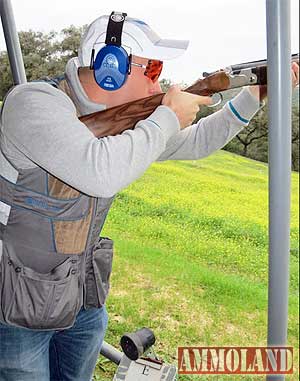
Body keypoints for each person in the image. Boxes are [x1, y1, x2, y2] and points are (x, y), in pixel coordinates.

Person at [0, 11, 298, 381]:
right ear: (112, 66)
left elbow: (196, 143)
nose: (160, 85)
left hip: (81, 297)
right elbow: (100, 171)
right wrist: (167, 116)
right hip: (15, 304)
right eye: (153, 70)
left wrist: (255, 95)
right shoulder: (33, 103)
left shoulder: (120, 120)